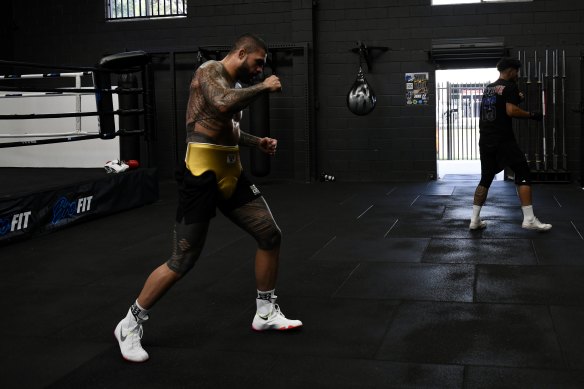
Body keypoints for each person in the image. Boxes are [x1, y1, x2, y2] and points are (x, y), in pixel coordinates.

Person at [115, 33, 302, 363]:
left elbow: (225, 126)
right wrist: (264, 87)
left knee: (270, 234)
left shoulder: (238, 87)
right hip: (201, 174)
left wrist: (256, 142)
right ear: (241, 53)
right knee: (182, 259)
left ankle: (265, 311)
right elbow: (219, 104)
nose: (260, 70)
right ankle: (130, 323)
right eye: (258, 63)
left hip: (231, 170)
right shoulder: (209, 71)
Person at [469, 57, 551, 232]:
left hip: (486, 139)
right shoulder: (511, 86)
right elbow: (511, 110)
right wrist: (532, 115)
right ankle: (529, 219)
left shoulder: (489, 88)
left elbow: (500, 106)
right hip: (503, 139)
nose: (518, 74)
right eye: (517, 71)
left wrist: (516, 99)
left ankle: (474, 220)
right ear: (511, 71)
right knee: (523, 172)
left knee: (486, 178)